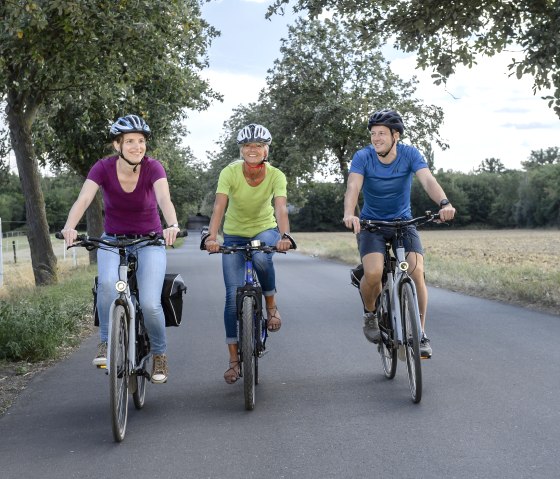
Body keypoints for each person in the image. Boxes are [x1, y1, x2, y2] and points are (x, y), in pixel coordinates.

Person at [61, 114, 181, 383]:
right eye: (130, 141)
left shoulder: (154, 168)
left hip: (149, 240)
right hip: (113, 239)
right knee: (106, 285)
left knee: (150, 303)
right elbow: (84, 198)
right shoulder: (102, 168)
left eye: (141, 141)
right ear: (117, 145)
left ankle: (159, 355)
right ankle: (105, 342)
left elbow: (164, 198)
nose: (137, 146)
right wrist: (70, 227)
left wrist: (172, 223)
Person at [343, 109, 456, 358]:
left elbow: (427, 180)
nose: (376, 138)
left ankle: (420, 334)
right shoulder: (363, 157)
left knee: (416, 271)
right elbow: (353, 185)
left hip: (404, 222)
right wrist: (350, 213)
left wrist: (444, 203)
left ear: (396, 135)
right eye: (373, 133)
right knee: (373, 273)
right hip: (372, 224)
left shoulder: (410, 154)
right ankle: (371, 315)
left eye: (382, 133)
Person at [203, 123, 293, 384]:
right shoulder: (229, 172)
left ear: (266, 149)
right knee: (232, 297)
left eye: (258, 145)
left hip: (264, 230)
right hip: (234, 234)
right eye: (247, 146)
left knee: (263, 257)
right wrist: (212, 236)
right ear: (241, 149)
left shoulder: (276, 175)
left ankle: (271, 306)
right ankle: (234, 361)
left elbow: (281, 208)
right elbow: (219, 206)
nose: (252, 150)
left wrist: (284, 235)